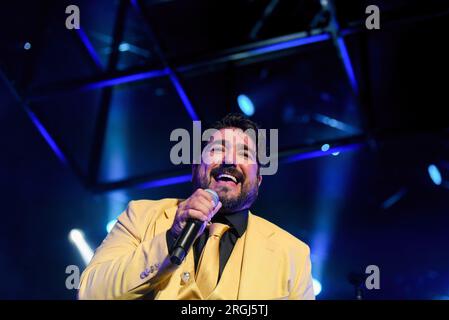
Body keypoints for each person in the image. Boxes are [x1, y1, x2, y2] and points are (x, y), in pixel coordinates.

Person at [78, 113, 315, 300]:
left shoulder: (292, 253)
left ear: (259, 179)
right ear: (195, 168)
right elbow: (90, 292)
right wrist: (171, 238)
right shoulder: (140, 215)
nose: (229, 160)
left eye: (244, 153)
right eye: (218, 149)